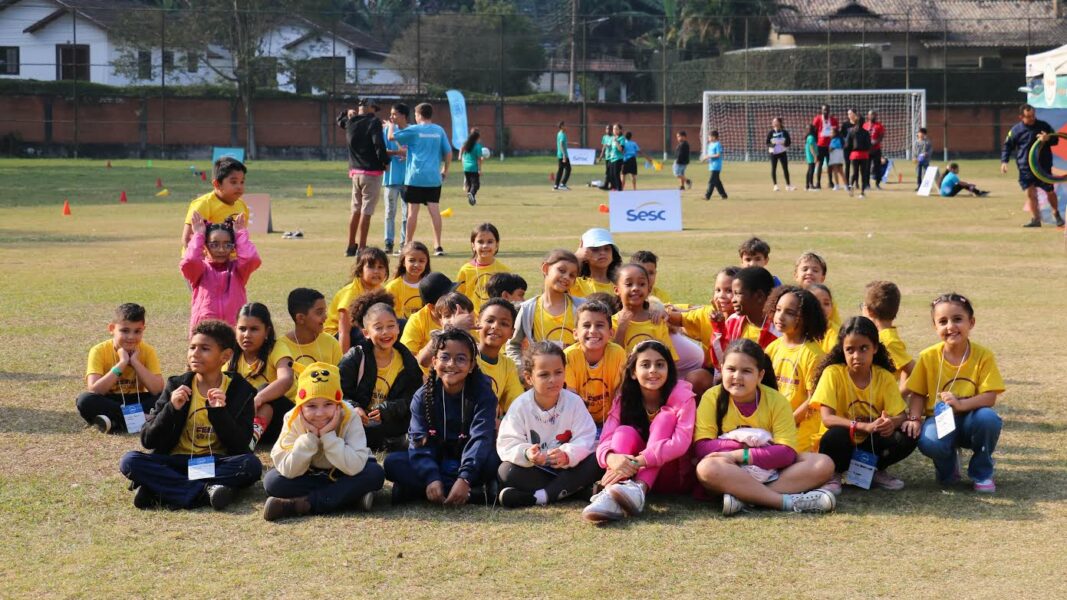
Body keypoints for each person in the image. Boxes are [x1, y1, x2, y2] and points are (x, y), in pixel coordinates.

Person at [119, 320, 262, 510]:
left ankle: (159, 490)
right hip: (177, 461)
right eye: (192, 347)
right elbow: (148, 440)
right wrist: (171, 408)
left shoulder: (240, 391)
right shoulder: (176, 385)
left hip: (215, 463)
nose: (195, 353)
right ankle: (204, 492)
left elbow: (240, 446)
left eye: (204, 349)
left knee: (250, 465)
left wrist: (220, 413)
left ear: (225, 356)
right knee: (130, 461)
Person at [693, 340, 836, 516]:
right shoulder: (712, 397)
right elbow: (702, 448)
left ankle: (745, 497)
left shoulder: (776, 400)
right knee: (706, 469)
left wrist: (739, 454)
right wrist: (745, 448)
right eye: (731, 369)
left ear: (760, 375)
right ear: (721, 369)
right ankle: (785, 502)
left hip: (771, 469)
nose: (737, 376)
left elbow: (786, 453)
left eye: (746, 371)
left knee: (823, 463)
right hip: (731, 471)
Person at [383, 328, 498, 506]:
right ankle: (473, 495)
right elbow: (417, 441)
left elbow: (480, 439)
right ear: (434, 362)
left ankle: (419, 491)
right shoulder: (423, 396)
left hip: (468, 462)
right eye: (445, 357)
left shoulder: (483, 394)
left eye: (461, 359)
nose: (451, 364)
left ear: (471, 366)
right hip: (435, 461)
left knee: (494, 461)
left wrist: (465, 477)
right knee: (392, 463)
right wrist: (431, 477)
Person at [904, 293, 1005, 492]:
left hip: (971, 419)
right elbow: (917, 393)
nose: (950, 326)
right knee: (929, 441)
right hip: (939, 419)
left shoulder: (983, 356)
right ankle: (948, 468)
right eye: (943, 321)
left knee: (988, 419)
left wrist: (961, 405)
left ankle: (982, 473)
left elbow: (990, 396)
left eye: (957, 319)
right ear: (935, 326)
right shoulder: (928, 356)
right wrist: (915, 418)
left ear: (971, 322)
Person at [262, 362, 386, 520]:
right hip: (309, 474)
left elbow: (355, 466)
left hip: (345, 472)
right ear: (301, 407)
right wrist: (310, 438)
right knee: (273, 482)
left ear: (338, 404)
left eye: (328, 404)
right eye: (311, 406)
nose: (320, 413)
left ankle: (303, 504)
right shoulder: (292, 417)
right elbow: (288, 469)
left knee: (375, 474)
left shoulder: (350, 415)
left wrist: (328, 436)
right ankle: (348, 497)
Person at [811, 317, 916, 494]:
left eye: (864, 348)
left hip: (871, 443)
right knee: (834, 436)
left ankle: (874, 471)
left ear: (875, 348)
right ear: (842, 350)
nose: (856, 356)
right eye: (850, 350)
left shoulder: (884, 377)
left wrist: (890, 423)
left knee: (909, 433)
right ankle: (833, 473)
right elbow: (827, 418)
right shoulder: (833, 374)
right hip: (843, 443)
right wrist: (862, 426)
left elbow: (901, 415)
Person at [497, 342, 600, 508]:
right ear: (529, 377)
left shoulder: (574, 402)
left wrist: (567, 454)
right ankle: (575, 490)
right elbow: (508, 441)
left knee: (597, 459)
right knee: (506, 472)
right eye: (544, 375)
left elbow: (586, 436)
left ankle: (540, 497)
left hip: (568, 467)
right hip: (537, 470)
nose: (553, 380)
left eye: (558, 372)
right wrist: (527, 453)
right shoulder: (520, 406)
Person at [338, 292, 422, 452]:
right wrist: (354, 407)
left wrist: (388, 409)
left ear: (398, 327)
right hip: (358, 422)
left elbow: (413, 398)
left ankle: (393, 442)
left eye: (391, 326)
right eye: (378, 327)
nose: (385, 332)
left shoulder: (407, 361)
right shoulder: (355, 357)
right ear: (366, 333)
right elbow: (338, 392)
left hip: (390, 424)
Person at [78, 303, 164, 434]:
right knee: (85, 400)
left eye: (137, 331)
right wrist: (122, 363)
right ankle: (144, 419)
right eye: (125, 330)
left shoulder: (148, 351)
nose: (131, 337)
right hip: (110, 400)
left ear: (143, 329)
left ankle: (114, 422)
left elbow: (157, 389)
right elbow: (95, 389)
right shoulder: (98, 350)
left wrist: (135, 362)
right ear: (112, 328)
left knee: (168, 395)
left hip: (137, 401)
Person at [763, 286, 827, 454]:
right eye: (778, 309)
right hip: (773, 422)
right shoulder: (772, 348)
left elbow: (814, 400)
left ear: (806, 318)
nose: (780, 316)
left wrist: (788, 422)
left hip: (801, 427)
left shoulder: (813, 354)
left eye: (790, 313)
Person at [181, 213, 261, 335]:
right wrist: (199, 235)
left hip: (234, 331)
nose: (221, 250)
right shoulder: (200, 270)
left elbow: (251, 259)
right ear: (205, 246)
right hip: (205, 332)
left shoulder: (238, 271)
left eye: (227, 245)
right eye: (214, 244)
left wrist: (239, 234)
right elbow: (190, 260)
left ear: (234, 247)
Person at [506, 249, 585, 369]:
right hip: (541, 378)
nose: (566, 277)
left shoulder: (581, 307)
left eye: (572, 275)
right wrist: (525, 372)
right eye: (562, 270)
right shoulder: (528, 309)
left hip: (574, 379)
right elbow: (513, 346)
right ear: (546, 268)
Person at [390, 102, 452, 255]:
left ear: (418, 115)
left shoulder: (414, 129)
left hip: (415, 177)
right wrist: (445, 170)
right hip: (433, 177)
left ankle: (407, 245)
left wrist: (391, 124)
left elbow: (392, 137)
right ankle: (438, 246)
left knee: (412, 212)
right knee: (434, 211)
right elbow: (448, 152)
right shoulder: (439, 130)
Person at [233, 303, 294, 449]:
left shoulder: (277, 348)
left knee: (266, 393)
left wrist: (258, 399)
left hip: (284, 419)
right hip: (247, 420)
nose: (247, 335)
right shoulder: (231, 355)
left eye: (254, 329)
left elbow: (286, 379)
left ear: (267, 331)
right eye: (242, 329)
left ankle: (248, 444)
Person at [338, 98, 389, 256]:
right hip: (372, 172)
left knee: (355, 210)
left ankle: (350, 245)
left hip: (355, 172)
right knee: (367, 212)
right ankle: (362, 247)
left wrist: (346, 112)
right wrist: (385, 162)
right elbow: (378, 144)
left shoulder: (350, 122)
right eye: (375, 109)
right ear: (370, 108)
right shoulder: (374, 122)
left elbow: (340, 120)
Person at [565, 301, 627, 428]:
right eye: (586, 325)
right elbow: (570, 398)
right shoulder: (568, 356)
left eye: (599, 325)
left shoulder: (618, 353)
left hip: (611, 419)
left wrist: (612, 425)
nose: (593, 331)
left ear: (611, 333)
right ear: (575, 333)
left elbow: (620, 394)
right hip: (577, 423)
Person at [1001, 103, 1065, 227]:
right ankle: (1036, 219)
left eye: (1033, 116)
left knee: (1050, 191)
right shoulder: (1016, 130)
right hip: (1025, 167)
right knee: (1031, 193)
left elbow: (1056, 140)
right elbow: (1007, 146)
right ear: (1021, 117)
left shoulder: (1043, 126)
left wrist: (1047, 139)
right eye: (1029, 116)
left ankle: (1056, 214)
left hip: (1043, 166)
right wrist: (1004, 161)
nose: (1032, 118)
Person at [325, 247, 389, 353]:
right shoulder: (351, 293)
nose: (376, 271)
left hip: (358, 331)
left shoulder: (380, 290)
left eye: (380, 267)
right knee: (367, 334)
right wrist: (344, 363)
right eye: (371, 267)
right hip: (335, 337)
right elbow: (343, 331)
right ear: (360, 270)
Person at [612, 263, 678, 361]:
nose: (635, 288)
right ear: (617, 290)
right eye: (629, 284)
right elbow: (612, 360)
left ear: (649, 289)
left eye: (642, 284)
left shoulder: (657, 321)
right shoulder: (611, 323)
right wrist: (621, 329)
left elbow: (669, 360)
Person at [180, 157, 249, 249]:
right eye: (234, 182)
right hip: (202, 262)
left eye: (242, 182)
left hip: (230, 262)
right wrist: (208, 261)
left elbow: (241, 238)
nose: (239, 186)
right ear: (217, 184)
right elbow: (187, 239)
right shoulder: (203, 204)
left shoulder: (242, 206)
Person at [862, 281, 916, 389]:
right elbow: (904, 367)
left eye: (863, 305)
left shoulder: (887, 340)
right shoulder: (884, 336)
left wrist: (900, 395)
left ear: (869, 311)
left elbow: (915, 371)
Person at [476, 298, 524, 415]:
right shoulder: (465, 356)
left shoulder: (508, 365)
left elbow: (516, 405)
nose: (495, 326)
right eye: (490, 320)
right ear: (477, 324)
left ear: (511, 333)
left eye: (504, 324)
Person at [399, 272, 455, 368]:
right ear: (431, 306)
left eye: (453, 293)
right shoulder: (417, 320)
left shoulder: (462, 309)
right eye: (447, 298)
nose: (453, 298)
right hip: (428, 377)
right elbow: (407, 355)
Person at [279, 288, 343, 370]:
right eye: (319, 312)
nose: (325, 317)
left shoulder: (331, 343)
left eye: (325, 311)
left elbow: (340, 377)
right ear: (300, 318)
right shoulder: (281, 347)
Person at [455, 223, 510, 315]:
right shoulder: (465, 270)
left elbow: (509, 299)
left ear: (497, 244)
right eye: (480, 242)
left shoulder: (504, 270)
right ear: (473, 245)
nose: (485, 246)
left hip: (495, 320)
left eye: (490, 242)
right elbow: (458, 298)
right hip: (472, 321)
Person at [723, 266, 778, 349]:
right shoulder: (732, 322)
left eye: (738, 294)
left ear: (759, 296)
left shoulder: (777, 331)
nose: (733, 300)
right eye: (733, 294)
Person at [382, 103, 411, 255]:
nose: (391, 117)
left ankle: (404, 243)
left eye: (394, 114)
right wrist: (397, 152)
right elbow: (382, 151)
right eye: (391, 114)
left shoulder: (412, 130)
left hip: (408, 180)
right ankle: (388, 242)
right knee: (389, 213)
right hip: (391, 178)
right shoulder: (387, 130)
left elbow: (417, 151)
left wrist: (407, 153)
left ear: (403, 115)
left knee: (407, 214)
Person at [385, 241, 432, 320]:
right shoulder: (392, 287)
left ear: (426, 263)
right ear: (403, 262)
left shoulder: (431, 285)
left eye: (421, 261)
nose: (416, 265)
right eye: (412, 260)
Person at [573, 227, 622, 298]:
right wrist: (576, 257)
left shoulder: (620, 285)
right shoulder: (576, 284)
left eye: (607, 248)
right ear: (584, 254)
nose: (602, 253)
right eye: (595, 249)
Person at [845, 111, 871, 198]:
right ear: (863, 122)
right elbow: (868, 145)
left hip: (854, 155)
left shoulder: (851, 131)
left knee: (854, 173)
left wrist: (849, 152)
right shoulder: (866, 132)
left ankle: (850, 188)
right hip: (864, 155)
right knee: (863, 174)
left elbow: (847, 144)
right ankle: (862, 192)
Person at [811, 105, 838, 189]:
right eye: (824, 110)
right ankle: (818, 183)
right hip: (820, 145)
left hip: (830, 145)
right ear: (821, 110)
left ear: (829, 110)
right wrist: (817, 140)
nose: (825, 111)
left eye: (827, 110)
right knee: (820, 164)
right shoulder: (818, 119)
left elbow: (836, 132)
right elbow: (813, 130)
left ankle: (830, 182)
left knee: (830, 165)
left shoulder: (833, 120)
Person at [766, 117, 794, 191]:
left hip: (782, 152)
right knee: (773, 168)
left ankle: (788, 185)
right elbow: (767, 143)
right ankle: (775, 186)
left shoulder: (784, 132)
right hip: (773, 153)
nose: (773, 123)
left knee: (785, 169)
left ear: (779, 123)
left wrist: (784, 143)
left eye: (775, 121)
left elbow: (788, 142)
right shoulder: (771, 132)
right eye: (773, 122)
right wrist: (773, 144)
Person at [459, 128, 484, 206]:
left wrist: (460, 156)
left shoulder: (467, 144)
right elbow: (479, 159)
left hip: (466, 167)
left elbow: (462, 149)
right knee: (476, 184)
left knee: (469, 184)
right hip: (473, 167)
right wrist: (479, 169)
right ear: (477, 138)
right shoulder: (478, 146)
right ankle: (471, 194)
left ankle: (471, 200)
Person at [864, 110, 886, 190]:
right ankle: (867, 184)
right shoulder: (865, 125)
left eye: (873, 115)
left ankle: (877, 184)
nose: (872, 116)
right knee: (866, 167)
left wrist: (875, 142)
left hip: (876, 149)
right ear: (868, 116)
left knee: (877, 167)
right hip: (867, 150)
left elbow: (881, 136)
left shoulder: (879, 125)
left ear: (876, 116)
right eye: (870, 115)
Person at [703, 130, 727, 200]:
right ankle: (724, 195)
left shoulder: (717, 144)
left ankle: (707, 196)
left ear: (714, 137)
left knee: (711, 181)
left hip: (716, 166)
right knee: (717, 182)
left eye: (709, 137)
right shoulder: (710, 145)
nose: (708, 138)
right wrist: (706, 159)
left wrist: (708, 156)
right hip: (711, 165)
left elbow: (718, 155)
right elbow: (710, 155)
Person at [553, 121, 572, 191]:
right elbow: (561, 144)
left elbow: (561, 142)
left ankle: (556, 185)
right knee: (568, 169)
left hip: (560, 155)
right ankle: (562, 184)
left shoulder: (559, 133)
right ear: (561, 126)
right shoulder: (562, 134)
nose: (566, 126)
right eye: (564, 125)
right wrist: (564, 155)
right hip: (563, 155)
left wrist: (568, 143)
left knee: (560, 170)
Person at [913, 127, 932, 191]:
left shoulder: (927, 142)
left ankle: (927, 186)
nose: (920, 134)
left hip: (925, 161)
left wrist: (926, 154)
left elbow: (930, 150)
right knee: (918, 173)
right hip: (918, 161)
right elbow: (914, 152)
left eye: (922, 133)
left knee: (926, 173)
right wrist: (914, 158)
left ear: (924, 134)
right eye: (919, 133)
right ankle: (919, 185)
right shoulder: (916, 142)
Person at [828, 126, 846, 190]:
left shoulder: (835, 139)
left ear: (835, 133)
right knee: (841, 171)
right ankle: (846, 185)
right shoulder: (840, 138)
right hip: (840, 156)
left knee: (835, 171)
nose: (830, 134)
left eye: (831, 132)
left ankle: (837, 185)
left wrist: (828, 149)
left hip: (835, 156)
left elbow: (831, 149)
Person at [803, 124, 817, 191]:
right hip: (811, 156)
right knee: (811, 170)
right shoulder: (811, 137)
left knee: (809, 170)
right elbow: (811, 147)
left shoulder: (808, 136)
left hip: (809, 156)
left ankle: (807, 185)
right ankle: (810, 185)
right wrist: (815, 156)